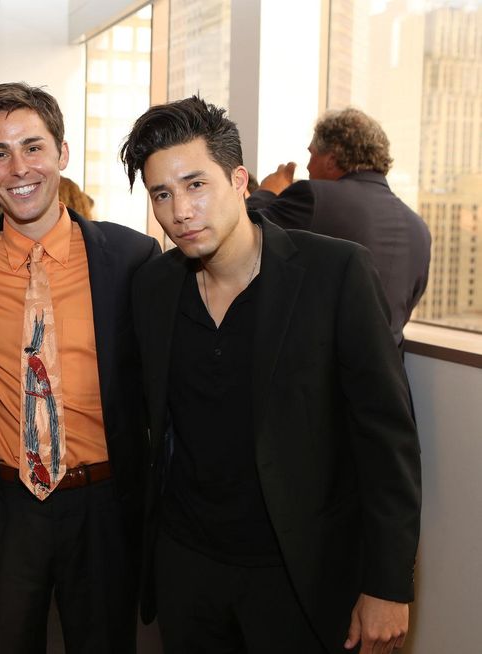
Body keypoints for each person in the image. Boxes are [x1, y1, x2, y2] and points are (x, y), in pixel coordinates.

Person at [121, 96, 421, 654]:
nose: (180, 210)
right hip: (187, 566)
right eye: (162, 194)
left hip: (297, 569)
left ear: (239, 180)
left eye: (195, 184)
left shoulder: (335, 273)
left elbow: (386, 440)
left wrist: (385, 583)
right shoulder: (153, 286)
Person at [0, 82, 160, 654]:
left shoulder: (130, 259)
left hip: (103, 504)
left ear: (62, 154)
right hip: (4, 506)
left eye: (33, 147)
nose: (18, 167)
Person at [247, 107, 431, 346]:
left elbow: (241, 234)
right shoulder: (419, 228)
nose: (309, 167)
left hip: (320, 376)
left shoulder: (314, 197)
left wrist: (268, 191)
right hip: (387, 377)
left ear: (331, 160)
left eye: (311, 155)